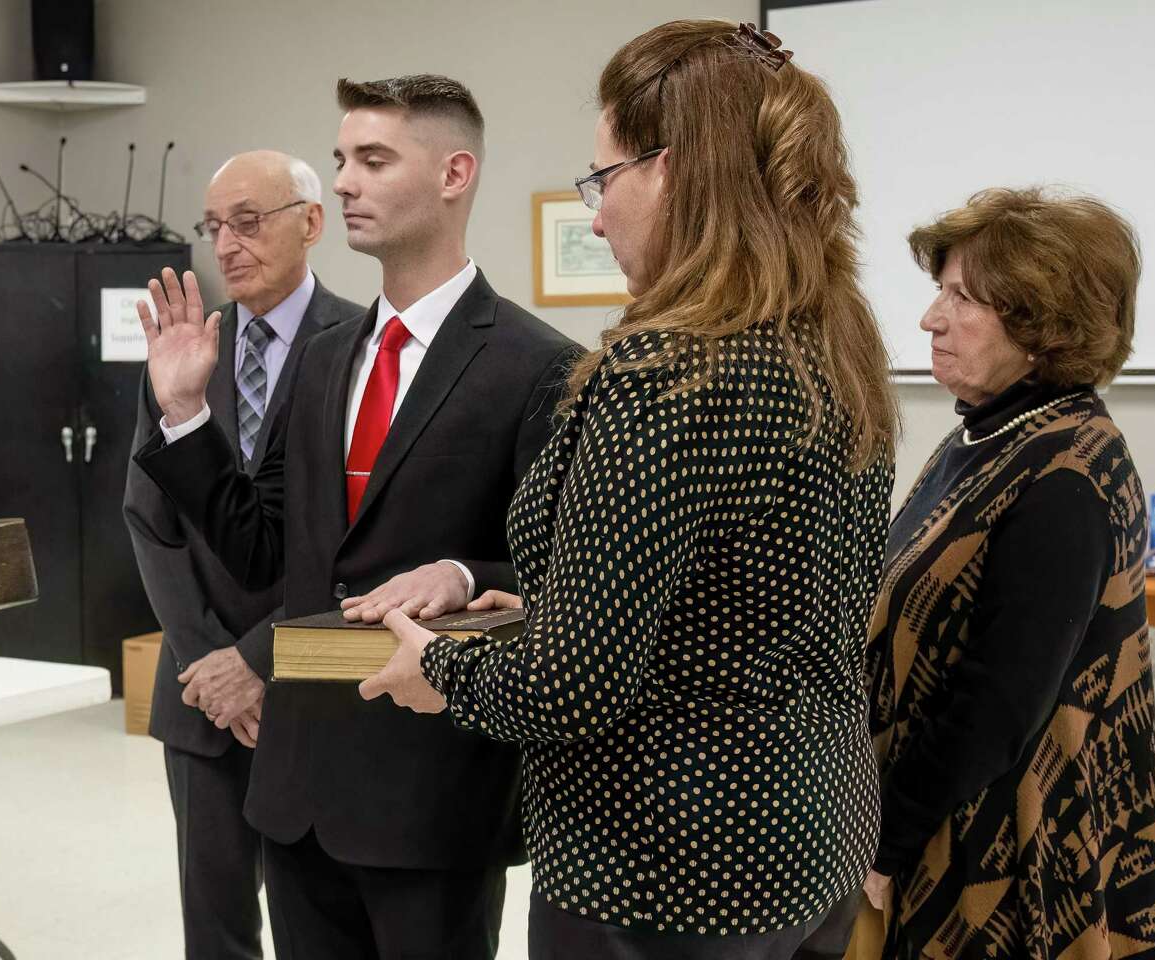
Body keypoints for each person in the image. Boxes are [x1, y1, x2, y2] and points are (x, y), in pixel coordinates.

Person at [358, 21, 898, 958]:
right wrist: (565, 602)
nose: (596, 216)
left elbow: (573, 690)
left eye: (603, 180)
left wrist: (441, 670)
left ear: (677, 171)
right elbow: (754, 597)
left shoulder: (664, 376)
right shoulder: (831, 349)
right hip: (815, 838)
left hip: (661, 868)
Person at [132, 76, 579, 959]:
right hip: (299, 789)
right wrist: (185, 413)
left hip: (432, 789)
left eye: (373, 160)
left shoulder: (541, 366)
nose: (343, 183)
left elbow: (558, 577)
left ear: (455, 173)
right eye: (340, 161)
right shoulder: (325, 358)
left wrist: (461, 576)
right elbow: (265, 553)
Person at [860, 188, 1155, 958]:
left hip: (1000, 864)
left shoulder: (1066, 474)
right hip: (944, 825)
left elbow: (995, 707)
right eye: (940, 290)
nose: (931, 317)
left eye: (961, 297)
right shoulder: (989, 435)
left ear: (1044, 328)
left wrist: (882, 843)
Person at [123, 150, 363, 960]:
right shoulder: (182, 349)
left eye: (248, 221)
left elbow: (352, 538)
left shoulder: (361, 344)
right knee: (214, 922)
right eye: (213, 226)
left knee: (322, 921)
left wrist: (264, 660)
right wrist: (210, 666)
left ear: (312, 223)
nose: (225, 244)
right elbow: (149, 519)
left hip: (317, 678)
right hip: (198, 691)